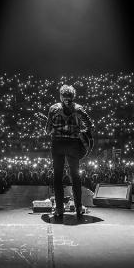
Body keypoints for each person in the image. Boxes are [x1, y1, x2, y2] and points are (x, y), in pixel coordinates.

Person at [45, 84, 93, 219]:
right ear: (73, 96)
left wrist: (57, 128)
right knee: (75, 176)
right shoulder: (79, 109)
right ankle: (78, 207)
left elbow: (48, 130)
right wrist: (79, 130)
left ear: (61, 96)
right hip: (73, 144)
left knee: (57, 176)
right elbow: (90, 126)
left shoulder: (53, 108)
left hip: (57, 144)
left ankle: (59, 209)